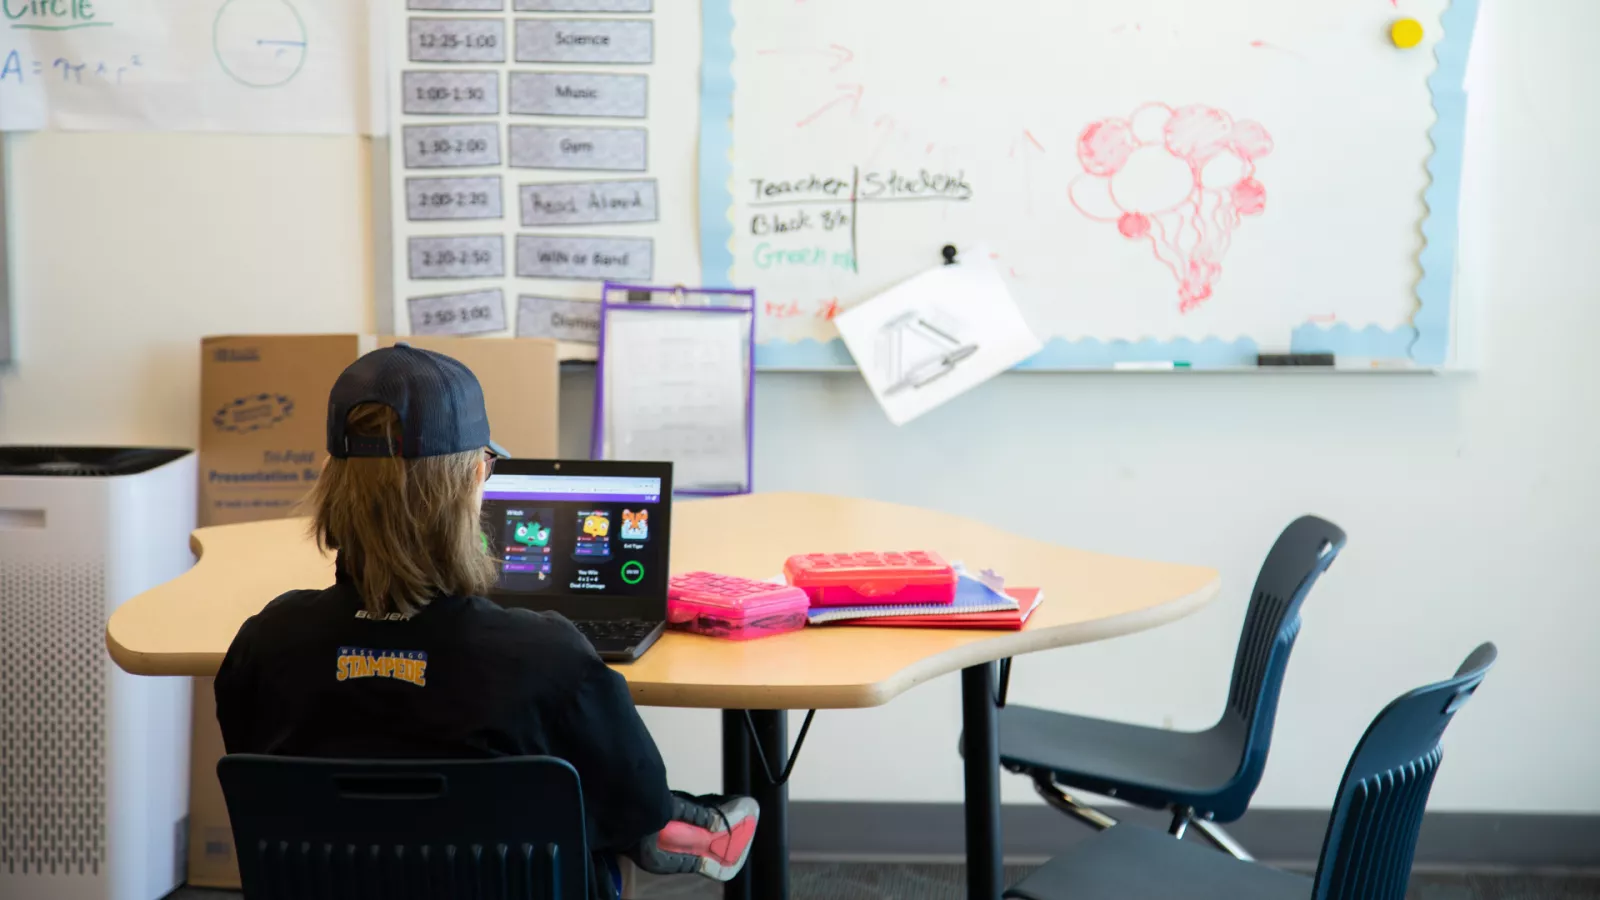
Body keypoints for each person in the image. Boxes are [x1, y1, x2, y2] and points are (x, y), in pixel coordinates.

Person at [213, 344, 758, 898]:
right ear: (475, 479)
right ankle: (705, 828)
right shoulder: (547, 658)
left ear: (332, 477)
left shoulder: (266, 644)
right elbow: (639, 801)